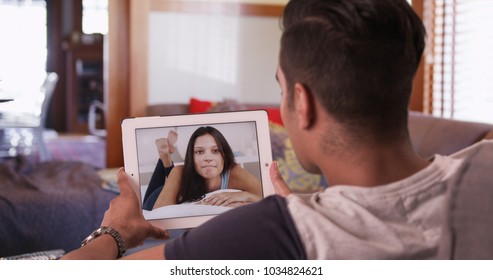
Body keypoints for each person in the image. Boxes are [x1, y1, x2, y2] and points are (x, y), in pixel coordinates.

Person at [61, 0, 492, 260]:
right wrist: (314, 206)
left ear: (300, 104)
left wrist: (115, 233)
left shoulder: (271, 230)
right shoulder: (483, 168)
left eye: (280, 89)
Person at [149, 126, 262, 209]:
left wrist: (246, 196)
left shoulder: (235, 172)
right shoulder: (179, 172)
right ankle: (164, 156)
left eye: (215, 151)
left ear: (224, 156)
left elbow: (269, 200)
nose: (208, 158)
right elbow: (159, 213)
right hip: (155, 198)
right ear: (191, 157)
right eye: (199, 152)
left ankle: (166, 156)